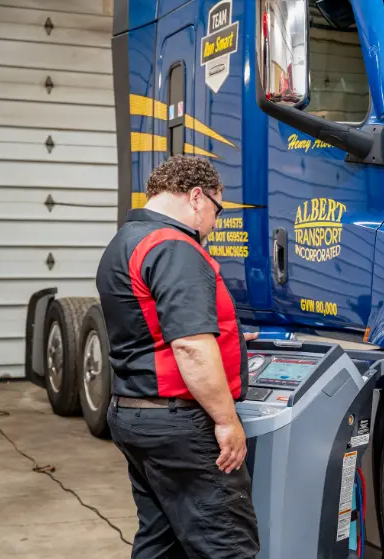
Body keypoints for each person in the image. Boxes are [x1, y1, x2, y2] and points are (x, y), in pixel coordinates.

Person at [96, 155, 259, 558]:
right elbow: (188, 345)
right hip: (179, 423)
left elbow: (150, 325)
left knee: (161, 541)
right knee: (227, 545)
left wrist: (230, 336)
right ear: (197, 198)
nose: (214, 224)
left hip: (133, 413)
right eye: (217, 212)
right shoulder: (175, 246)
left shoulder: (124, 241)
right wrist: (226, 421)